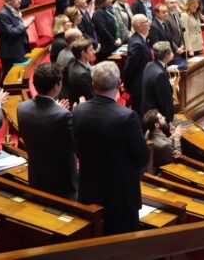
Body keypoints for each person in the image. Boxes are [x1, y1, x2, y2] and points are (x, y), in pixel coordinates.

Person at [72, 62, 149, 235]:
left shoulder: (78, 111)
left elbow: (77, 148)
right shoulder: (127, 116)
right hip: (120, 198)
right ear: (119, 83)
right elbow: (143, 157)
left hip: (89, 191)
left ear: (93, 85)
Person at [17, 63, 77, 200]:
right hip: (61, 181)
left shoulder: (22, 108)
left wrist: (57, 108)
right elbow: (75, 146)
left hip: (36, 175)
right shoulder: (63, 115)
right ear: (57, 86)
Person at [0, 0, 33, 77]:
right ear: (8, 1)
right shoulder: (2, 14)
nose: (20, 0)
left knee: (21, 76)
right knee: (11, 78)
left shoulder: (14, 9)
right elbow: (11, 32)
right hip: (10, 54)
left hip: (19, 49)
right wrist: (24, 25)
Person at [124, 15, 153, 116]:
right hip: (139, 87)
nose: (149, 22)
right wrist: (127, 84)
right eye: (146, 21)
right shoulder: (137, 43)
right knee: (141, 114)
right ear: (139, 26)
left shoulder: (141, 39)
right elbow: (130, 67)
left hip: (142, 84)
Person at [141, 42, 176, 122]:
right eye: (171, 51)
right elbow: (164, 102)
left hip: (147, 114)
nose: (172, 53)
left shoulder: (149, 65)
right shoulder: (160, 75)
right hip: (157, 120)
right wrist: (169, 121)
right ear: (167, 54)